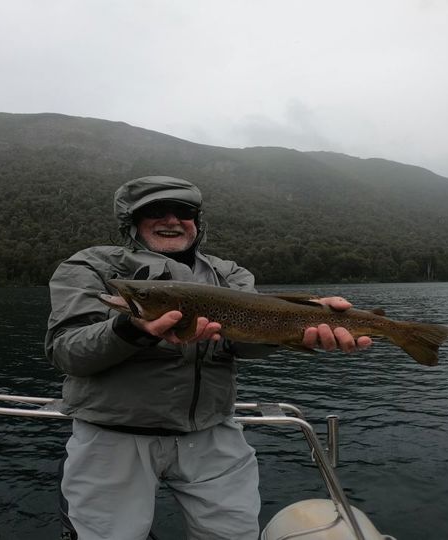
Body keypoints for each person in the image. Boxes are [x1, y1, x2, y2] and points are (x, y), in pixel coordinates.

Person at [45, 175, 371, 540]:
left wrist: (298, 330)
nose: (172, 220)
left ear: (197, 222)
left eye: (183, 212)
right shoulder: (91, 267)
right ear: (132, 221)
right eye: (156, 211)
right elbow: (67, 351)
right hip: (113, 437)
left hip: (212, 433)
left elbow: (245, 344)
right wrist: (131, 329)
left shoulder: (228, 273)